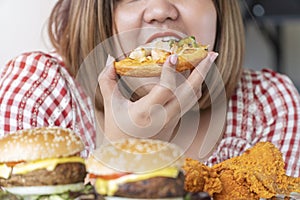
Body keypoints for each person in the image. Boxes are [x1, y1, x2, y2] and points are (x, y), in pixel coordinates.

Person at [0, 0, 299, 178]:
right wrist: (123, 156)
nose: (159, 10)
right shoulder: (39, 89)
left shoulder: (269, 105)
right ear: (102, 13)